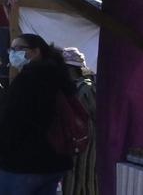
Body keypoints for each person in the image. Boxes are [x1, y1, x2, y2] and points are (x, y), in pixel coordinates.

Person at [0, 34, 75, 195]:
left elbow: (12, 122)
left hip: (24, 163)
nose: (12, 52)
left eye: (18, 48)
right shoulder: (61, 77)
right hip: (56, 161)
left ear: (36, 51)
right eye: (11, 48)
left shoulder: (28, 80)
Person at [61, 48, 97, 195]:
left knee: (84, 177)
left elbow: (96, 113)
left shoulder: (86, 88)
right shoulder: (69, 88)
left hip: (86, 141)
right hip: (73, 140)